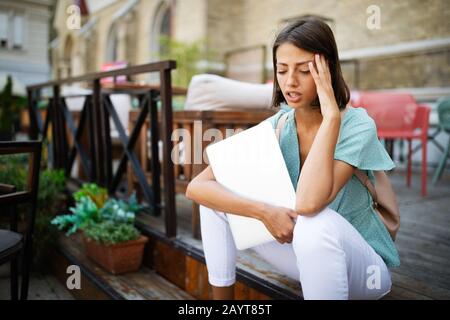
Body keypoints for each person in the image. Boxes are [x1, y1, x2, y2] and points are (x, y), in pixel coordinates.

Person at [185, 18, 400, 300]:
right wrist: (263, 211)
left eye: (304, 70)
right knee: (216, 201)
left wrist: (332, 117)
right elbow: (197, 187)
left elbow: (309, 204)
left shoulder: (357, 125)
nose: (290, 82)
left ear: (328, 71)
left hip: (366, 272)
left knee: (314, 222)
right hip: (307, 257)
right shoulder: (280, 125)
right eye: (282, 70)